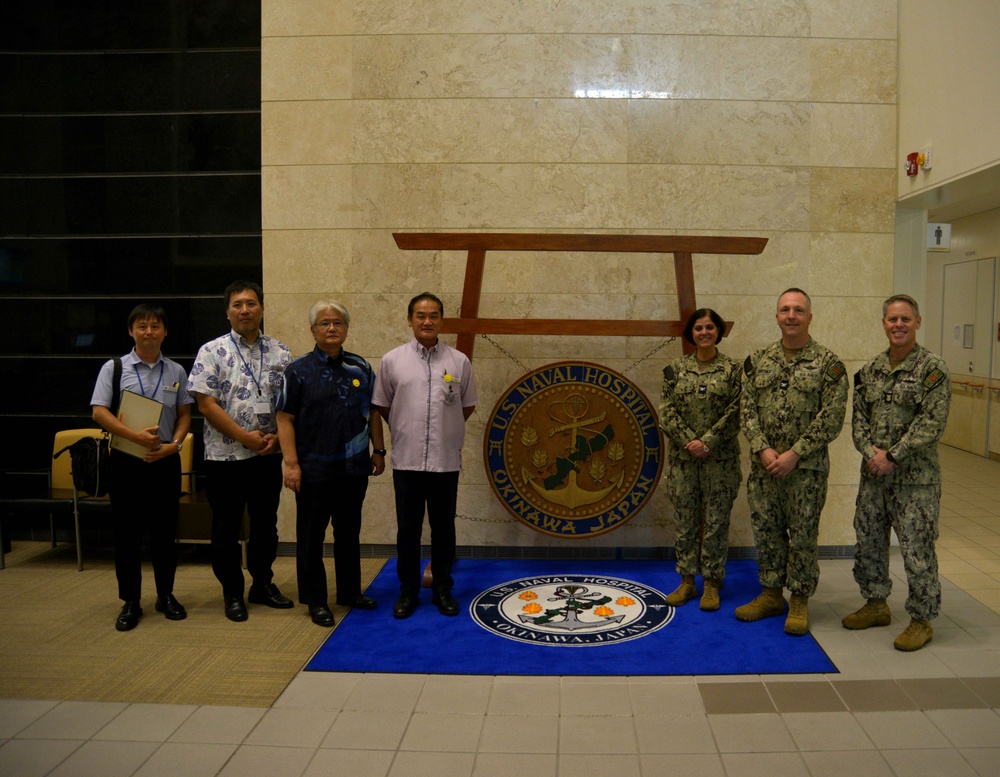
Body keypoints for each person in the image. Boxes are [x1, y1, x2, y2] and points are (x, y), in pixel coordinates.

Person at [844, 294, 951, 651]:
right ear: (884, 323)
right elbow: (857, 420)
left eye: (905, 319)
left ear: (918, 322)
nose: (899, 325)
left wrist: (893, 455)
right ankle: (876, 604)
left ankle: (922, 619)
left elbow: (932, 423)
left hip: (915, 481)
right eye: (892, 319)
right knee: (870, 541)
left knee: (916, 548)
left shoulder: (932, 369)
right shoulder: (870, 370)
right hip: (874, 476)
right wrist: (868, 452)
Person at [738, 288, 847, 635]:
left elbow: (831, 417)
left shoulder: (828, 365)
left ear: (810, 317)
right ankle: (771, 593)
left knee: (802, 536)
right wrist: (762, 448)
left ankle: (799, 599)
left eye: (798, 310)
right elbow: (746, 409)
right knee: (767, 532)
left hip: (806, 471)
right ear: (776, 316)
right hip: (765, 467)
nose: (791, 316)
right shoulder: (758, 361)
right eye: (785, 309)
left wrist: (794, 453)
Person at [187, 280, 294, 622]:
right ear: (227, 311)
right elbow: (206, 404)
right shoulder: (211, 351)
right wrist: (245, 437)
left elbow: (289, 405)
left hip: (267, 456)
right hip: (225, 458)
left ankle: (262, 585)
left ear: (261, 308)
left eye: (251, 303)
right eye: (237, 305)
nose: (245, 310)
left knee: (266, 526)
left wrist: (277, 437)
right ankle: (232, 592)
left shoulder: (282, 352)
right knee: (226, 528)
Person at [275, 300, 386, 627]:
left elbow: (375, 411)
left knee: (349, 534)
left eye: (337, 323)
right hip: (313, 470)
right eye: (324, 323)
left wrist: (378, 451)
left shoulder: (361, 367)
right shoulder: (298, 370)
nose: (332, 328)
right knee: (310, 536)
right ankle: (316, 600)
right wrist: (291, 464)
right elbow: (284, 418)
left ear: (346, 328)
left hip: (354, 469)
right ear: (313, 330)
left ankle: (350, 593)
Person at [372, 292, 477, 619]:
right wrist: (406, 428)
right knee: (408, 530)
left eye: (433, 315)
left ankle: (443, 589)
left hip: (445, 461)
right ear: (409, 320)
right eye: (420, 315)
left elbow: (467, 406)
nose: (427, 321)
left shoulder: (458, 361)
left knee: (444, 528)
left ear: (441, 321)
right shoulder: (392, 360)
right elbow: (382, 406)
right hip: (407, 461)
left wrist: (445, 430)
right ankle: (408, 592)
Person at [91, 304, 193, 631]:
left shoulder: (176, 371)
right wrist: (133, 435)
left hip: (164, 459)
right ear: (131, 331)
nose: (149, 331)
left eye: (155, 326)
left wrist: (174, 445)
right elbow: (99, 412)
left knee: (165, 533)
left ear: (165, 331)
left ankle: (166, 595)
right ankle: (130, 601)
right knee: (127, 534)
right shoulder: (114, 368)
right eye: (142, 326)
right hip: (126, 460)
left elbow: (185, 415)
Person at [658, 308, 742, 611]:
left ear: (718, 331)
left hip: (720, 461)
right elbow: (666, 411)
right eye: (698, 328)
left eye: (709, 327)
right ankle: (686, 582)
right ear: (690, 333)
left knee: (717, 523)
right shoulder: (675, 369)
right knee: (685, 522)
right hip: (684, 461)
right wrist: (689, 442)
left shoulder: (733, 370)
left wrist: (707, 441)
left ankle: (711, 583)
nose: (704, 332)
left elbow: (737, 411)